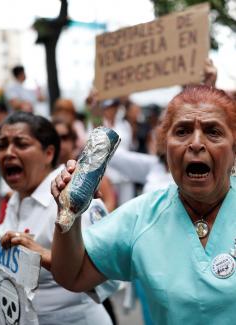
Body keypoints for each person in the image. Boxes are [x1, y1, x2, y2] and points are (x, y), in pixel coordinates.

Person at [47, 85, 236, 324]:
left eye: (213, 132)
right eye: (183, 131)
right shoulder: (141, 217)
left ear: (234, 148)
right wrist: (68, 217)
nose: (196, 143)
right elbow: (72, 275)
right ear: (164, 146)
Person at [0, 112, 115, 325]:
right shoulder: (14, 201)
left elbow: (109, 275)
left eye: (21, 144)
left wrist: (42, 255)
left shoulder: (75, 194)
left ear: (49, 153)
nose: (9, 153)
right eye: (2, 145)